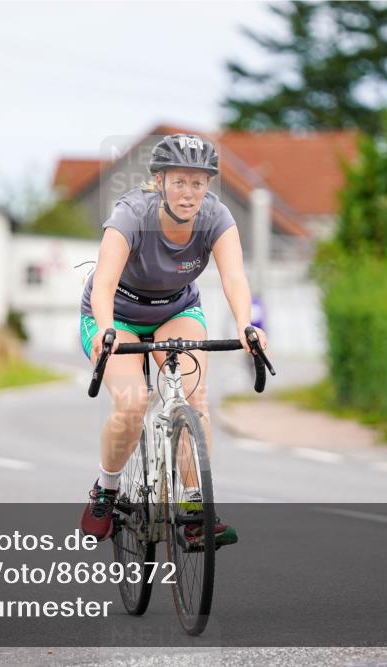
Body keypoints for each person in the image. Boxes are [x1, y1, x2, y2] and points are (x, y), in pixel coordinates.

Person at [79, 133, 268, 547]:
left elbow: (234, 277)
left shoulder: (216, 217)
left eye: (198, 183)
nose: (189, 192)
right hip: (118, 313)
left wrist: (245, 325)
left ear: (209, 186)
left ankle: (195, 509)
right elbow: (104, 283)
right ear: (160, 181)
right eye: (179, 181)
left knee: (193, 399)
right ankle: (106, 489)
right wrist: (107, 331)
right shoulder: (132, 213)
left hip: (175, 311)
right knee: (133, 403)